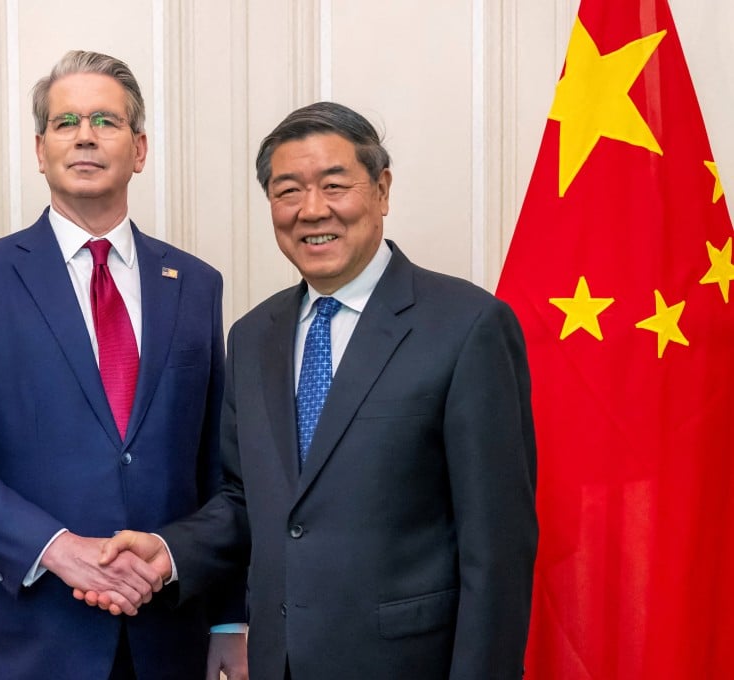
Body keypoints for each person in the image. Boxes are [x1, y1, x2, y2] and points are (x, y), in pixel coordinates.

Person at [87, 101, 538, 679]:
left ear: (382, 189)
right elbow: (246, 499)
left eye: (334, 184)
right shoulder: (252, 336)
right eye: (288, 191)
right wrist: (171, 554)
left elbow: (496, 548)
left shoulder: (467, 325)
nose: (312, 210)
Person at [0, 50, 247, 680]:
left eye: (105, 121)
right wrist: (55, 549)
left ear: (139, 149)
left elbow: (218, 472)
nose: (85, 135)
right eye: (66, 122)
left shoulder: (196, 284)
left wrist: (228, 618)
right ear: (40, 149)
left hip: (166, 639)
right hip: (24, 640)